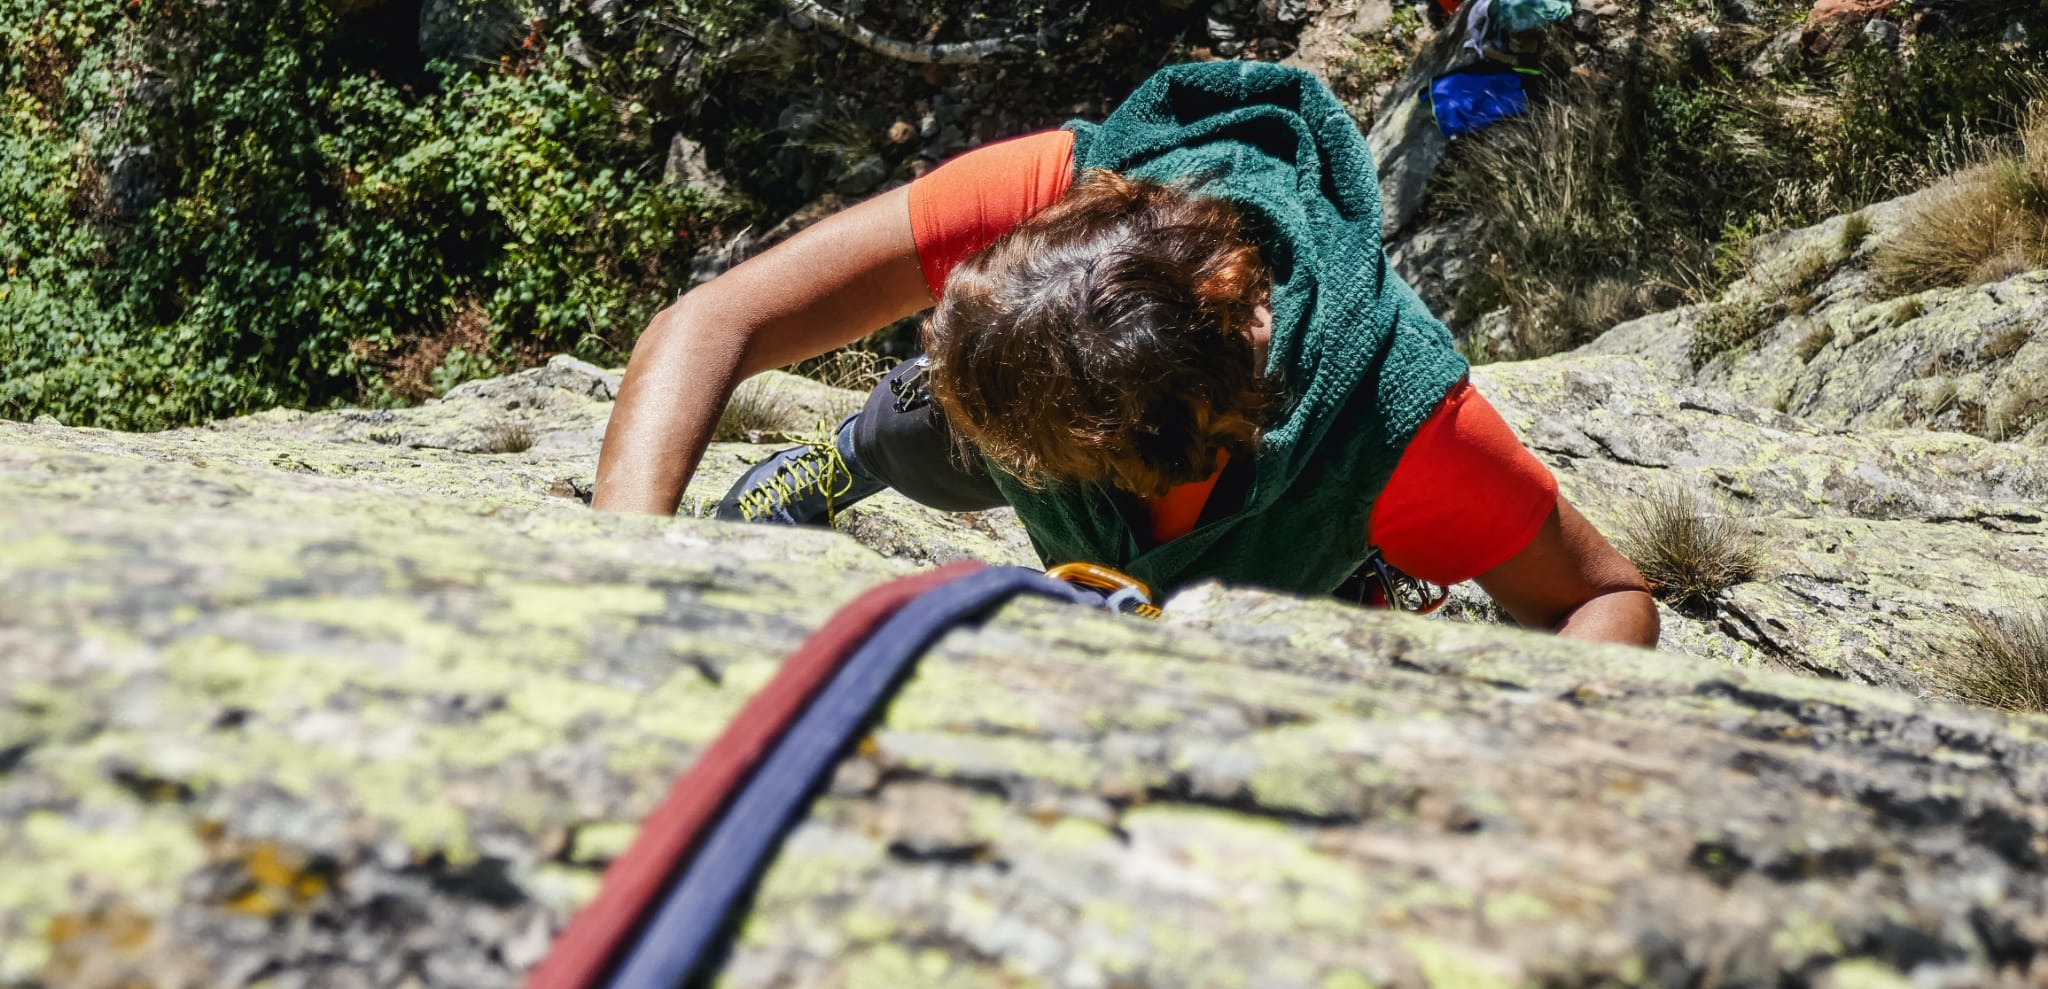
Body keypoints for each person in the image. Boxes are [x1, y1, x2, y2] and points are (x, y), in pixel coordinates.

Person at [594, 61, 1658, 647]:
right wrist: (613, 571)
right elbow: (709, 323)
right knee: (928, 427)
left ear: (1150, 453)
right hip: (1094, 407)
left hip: (1263, 524)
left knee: (1263, 630)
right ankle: (858, 446)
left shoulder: (1393, 434)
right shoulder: (1053, 201)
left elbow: (1604, 600)